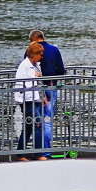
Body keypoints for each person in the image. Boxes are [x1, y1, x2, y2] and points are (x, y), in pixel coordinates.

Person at [30, 29, 64, 157]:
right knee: (47, 120)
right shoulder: (54, 50)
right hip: (51, 87)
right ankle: (47, 151)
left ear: (33, 39)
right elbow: (61, 70)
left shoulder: (32, 51)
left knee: (36, 121)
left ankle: (38, 151)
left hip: (35, 90)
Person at [14, 42, 47, 160]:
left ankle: (20, 153)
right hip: (27, 100)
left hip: (35, 98)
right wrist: (35, 77)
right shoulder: (25, 65)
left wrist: (43, 96)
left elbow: (39, 83)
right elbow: (22, 83)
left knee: (28, 127)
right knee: (38, 124)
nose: (42, 57)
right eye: (41, 54)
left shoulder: (36, 64)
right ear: (33, 54)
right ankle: (39, 153)